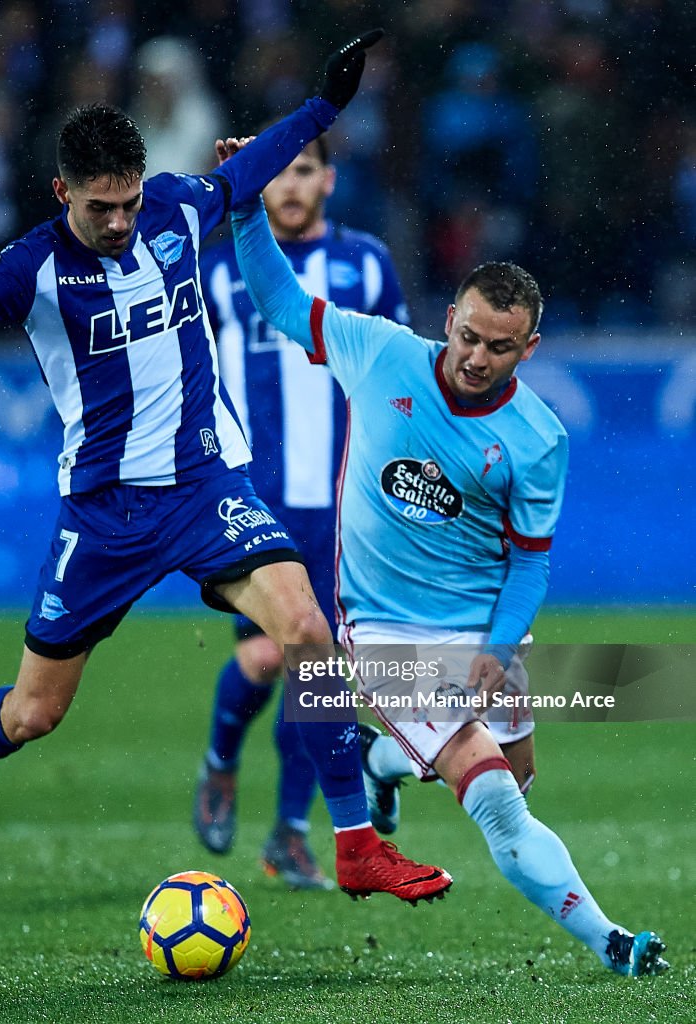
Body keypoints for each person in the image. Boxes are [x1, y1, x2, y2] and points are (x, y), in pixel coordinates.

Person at [0, 31, 454, 907]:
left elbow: (253, 170)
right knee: (34, 714)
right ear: (62, 192)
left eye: (129, 202)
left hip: (206, 486)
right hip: (103, 513)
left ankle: (356, 845)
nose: (121, 221)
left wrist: (326, 105)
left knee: (307, 634)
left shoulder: (177, 208)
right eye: (102, 207)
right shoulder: (32, 267)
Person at [227, 192, 670, 975]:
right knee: (496, 798)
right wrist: (243, 208)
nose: (475, 356)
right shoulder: (379, 351)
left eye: (499, 347)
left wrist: (499, 650)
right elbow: (278, 300)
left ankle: (380, 763)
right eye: (467, 336)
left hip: (483, 630)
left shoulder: (537, 439)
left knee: (519, 780)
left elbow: (530, 560)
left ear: (527, 348)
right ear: (449, 319)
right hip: (385, 631)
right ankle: (613, 943)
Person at [193, 133, 410, 890]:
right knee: (263, 656)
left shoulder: (366, 265)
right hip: (250, 495)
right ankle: (221, 764)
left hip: (343, 504)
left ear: (328, 179)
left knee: (317, 674)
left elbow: (395, 372)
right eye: (277, 172)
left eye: (304, 170)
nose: (289, 186)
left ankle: (289, 830)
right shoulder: (216, 268)